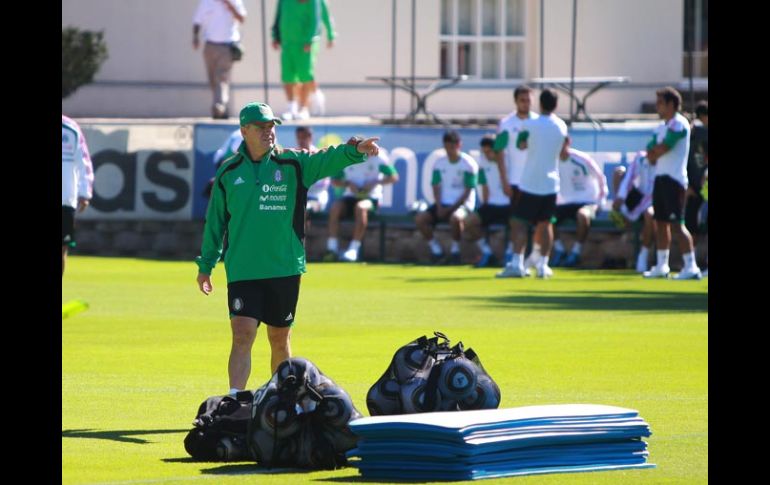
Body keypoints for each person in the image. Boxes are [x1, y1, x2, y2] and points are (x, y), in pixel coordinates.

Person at [195, 101, 380, 395]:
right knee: (242, 334)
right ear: (244, 130)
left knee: (279, 338)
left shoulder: (294, 163)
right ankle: (234, 400)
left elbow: (325, 159)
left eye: (271, 126)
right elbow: (215, 221)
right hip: (243, 267)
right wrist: (206, 265)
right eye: (261, 127)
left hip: (284, 266)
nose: (269, 132)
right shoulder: (228, 173)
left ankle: (281, 400)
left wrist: (354, 151)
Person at [496, 88, 568, 278]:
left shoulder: (530, 124)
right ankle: (543, 265)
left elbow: (521, 144)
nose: (526, 104)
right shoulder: (561, 126)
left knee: (519, 223)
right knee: (545, 224)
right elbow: (563, 151)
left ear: (539, 103)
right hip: (551, 182)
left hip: (529, 182)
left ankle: (517, 263)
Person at [643, 87, 702, 280]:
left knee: (677, 224)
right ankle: (662, 265)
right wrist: (655, 151)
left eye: (661, 103)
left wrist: (656, 151)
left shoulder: (679, 124)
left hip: (674, 181)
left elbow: (664, 147)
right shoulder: (661, 127)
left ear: (671, 104)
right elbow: (650, 152)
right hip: (660, 178)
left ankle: (691, 266)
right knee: (661, 223)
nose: (658, 107)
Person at [415, 130, 478, 265]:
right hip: (443, 204)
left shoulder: (468, 164)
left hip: (463, 204)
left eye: (452, 147)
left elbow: (468, 191)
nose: (449, 150)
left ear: (459, 145)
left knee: (455, 218)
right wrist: (439, 206)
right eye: (447, 147)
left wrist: (450, 208)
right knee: (420, 219)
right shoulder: (439, 163)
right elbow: (436, 186)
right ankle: (436, 250)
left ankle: (455, 250)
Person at [324, 149, 398, 262]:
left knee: (360, 207)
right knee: (335, 208)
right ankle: (332, 249)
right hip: (350, 197)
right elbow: (334, 181)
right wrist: (348, 184)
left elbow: (394, 177)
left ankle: (353, 250)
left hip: (371, 198)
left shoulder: (379, 158)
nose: (366, 155)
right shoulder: (346, 159)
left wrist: (375, 182)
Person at [493, 85, 538, 264]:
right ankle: (516, 258)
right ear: (516, 102)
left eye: (529, 100)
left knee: (537, 222)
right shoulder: (507, 124)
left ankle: (535, 257)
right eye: (522, 100)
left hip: (536, 180)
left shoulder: (538, 123)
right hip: (516, 180)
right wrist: (504, 180)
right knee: (516, 221)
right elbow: (499, 152)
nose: (526, 104)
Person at [272, 0, 336, 120]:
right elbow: (279, 16)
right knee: (288, 76)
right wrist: (275, 35)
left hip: (305, 43)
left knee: (305, 74)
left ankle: (304, 107)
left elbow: (319, 18)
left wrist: (325, 36)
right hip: (287, 42)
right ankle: (292, 107)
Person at [548, 143, 608, 268]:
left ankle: (576, 252)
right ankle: (559, 249)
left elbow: (600, 177)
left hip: (587, 202)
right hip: (564, 204)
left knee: (582, 215)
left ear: (567, 143)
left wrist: (600, 202)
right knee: (547, 217)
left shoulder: (581, 159)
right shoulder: (551, 162)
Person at [192, 0, 247, 119]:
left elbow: (242, 18)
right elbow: (197, 21)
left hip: (227, 45)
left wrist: (229, 5)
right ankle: (221, 107)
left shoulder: (235, 1)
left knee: (222, 77)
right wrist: (195, 37)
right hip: (210, 45)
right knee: (213, 79)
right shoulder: (207, 2)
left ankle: (219, 107)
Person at [465, 135, 510, 268]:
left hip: (509, 204)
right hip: (491, 205)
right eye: (484, 152)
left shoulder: (509, 161)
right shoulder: (483, 163)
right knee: (468, 222)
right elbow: (484, 186)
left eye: (489, 151)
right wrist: (485, 207)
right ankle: (486, 251)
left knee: (518, 225)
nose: (487, 155)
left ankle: (510, 254)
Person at [611, 150, 657, 273]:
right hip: (639, 199)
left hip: (657, 201)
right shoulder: (641, 158)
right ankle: (629, 255)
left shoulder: (667, 163)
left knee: (649, 214)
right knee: (619, 172)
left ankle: (643, 256)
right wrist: (620, 198)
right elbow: (629, 178)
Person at [62, 115, 94, 278]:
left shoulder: (70, 128)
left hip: (65, 199)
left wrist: (84, 193)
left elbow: (84, 162)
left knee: (62, 250)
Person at [684, 100, 708, 247]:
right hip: (694, 186)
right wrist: (687, 185)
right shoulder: (692, 135)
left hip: (704, 187)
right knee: (691, 225)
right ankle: (690, 262)